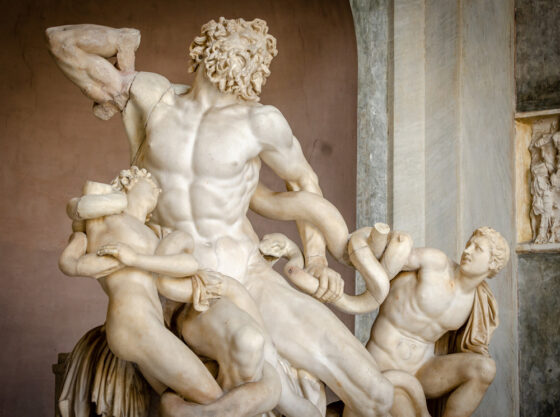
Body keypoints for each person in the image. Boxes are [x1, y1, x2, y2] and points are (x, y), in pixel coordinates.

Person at [47, 17, 393, 416]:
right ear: (204, 47)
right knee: (252, 356)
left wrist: (315, 259)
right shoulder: (153, 97)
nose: (244, 53)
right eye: (233, 42)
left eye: (253, 51)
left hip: (250, 273)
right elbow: (62, 43)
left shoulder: (261, 122)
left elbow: (303, 182)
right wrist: (122, 41)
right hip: (191, 286)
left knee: (375, 392)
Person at [59, 167, 283, 417]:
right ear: (128, 182)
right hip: (133, 321)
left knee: (206, 396)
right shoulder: (104, 219)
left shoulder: (153, 234)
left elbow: (188, 264)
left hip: (154, 325)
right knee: (214, 399)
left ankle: (178, 407)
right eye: (149, 184)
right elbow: (69, 261)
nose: (157, 190)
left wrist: (134, 259)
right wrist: (108, 263)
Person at [366, 227, 509, 417]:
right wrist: (392, 243)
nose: (467, 251)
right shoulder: (436, 263)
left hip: (422, 370)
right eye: (469, 244)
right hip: (383, 364)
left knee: (485, 369)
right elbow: (388, 260)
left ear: (492, 263)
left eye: (478, 249)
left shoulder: (478, 301)